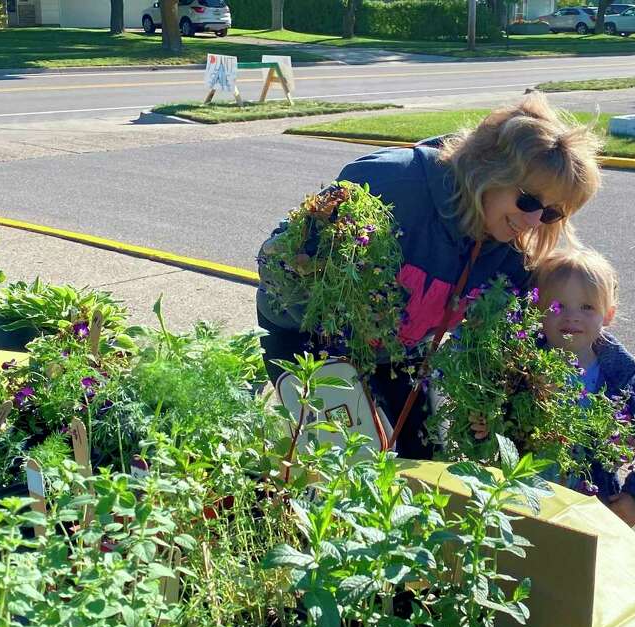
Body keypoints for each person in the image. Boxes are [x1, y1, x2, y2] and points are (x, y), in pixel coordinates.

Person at [256, 93, 603, 459]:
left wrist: (496, 401)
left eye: (550, 214)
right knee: (349, 459)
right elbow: (278, 260)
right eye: (529, 201)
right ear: (492, 168)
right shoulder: (393, 182)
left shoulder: (510, 254)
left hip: (397, 353)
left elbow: (516, 341)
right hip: (305, 335)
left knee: (423, 458)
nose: (533, 221)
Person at [533, 247, 635, 526]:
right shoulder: (519, 370)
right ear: (536, 311)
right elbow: (490, 425)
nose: (571, 317)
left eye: (587, 307)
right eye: (558, 306)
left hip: (591, 514)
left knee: (574, 570)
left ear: (608, 314)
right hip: (520, 506)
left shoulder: (623, 384)